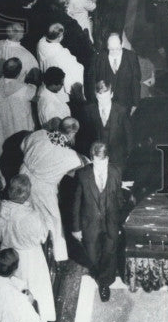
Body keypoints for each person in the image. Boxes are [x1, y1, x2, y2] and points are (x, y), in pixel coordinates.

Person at [0, 174, 56, 322]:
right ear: (26, 194)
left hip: (5, 253)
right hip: (29, 257)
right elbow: (42, 237)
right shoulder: (31, 216)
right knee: (35, 290)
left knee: (10, 291)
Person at [20, 118, 86, 261]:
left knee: (24, 218)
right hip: (42, 190)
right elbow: (85, 165)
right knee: (52, 223)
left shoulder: (39, 134)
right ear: (72, 134)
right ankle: (55, 259)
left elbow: (23, 146)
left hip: (22, 178)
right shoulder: (69, 156)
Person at [72, 141, 125, 302]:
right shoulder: (82, 174)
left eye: (102, 161)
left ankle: (104, 283)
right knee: (93, 254)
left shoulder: (116, 171)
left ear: (107, 158)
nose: (99, 165)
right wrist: (76, 228)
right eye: (95, 161)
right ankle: (97, 271)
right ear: (91, 158)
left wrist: (121, 222)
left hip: (112, 221)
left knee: (110, 252)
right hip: (90, 223)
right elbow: (76, 203)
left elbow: (119, 198)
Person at [78, 80, 131, 169]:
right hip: (95, 159)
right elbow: (83, 137)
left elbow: (128, 135)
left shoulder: (121, 111)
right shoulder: (87, 111)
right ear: (95, 95)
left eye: (106, 97)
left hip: (117, 159)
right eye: (100, 97)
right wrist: (86, 157)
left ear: (111, 94)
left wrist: (127, 155)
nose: (103, 101)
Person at [0, 57, 36, 157]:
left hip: (2, 126)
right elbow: (36, 96)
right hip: (20, 126)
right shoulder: (25, 88)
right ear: (19, 73)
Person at [88, 32, 140, 109]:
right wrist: (94, 104)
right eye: (111, 49)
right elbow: (92, 82)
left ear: (121, 45)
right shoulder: (98, 58)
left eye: (117, 48)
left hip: (126, 104)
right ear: (107, 46)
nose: (114, 52)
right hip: (105, 104)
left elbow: (135, 81)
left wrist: (135, 104)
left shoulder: (131, 57)